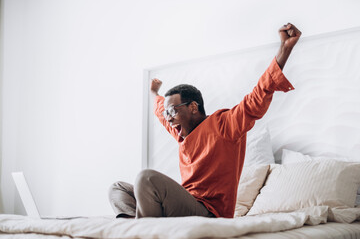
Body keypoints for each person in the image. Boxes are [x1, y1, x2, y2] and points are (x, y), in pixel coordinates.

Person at [108, 23, 302, 219]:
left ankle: (145, 229)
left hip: (208, 212)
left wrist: (285, 49)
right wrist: (153, 92)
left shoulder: (224, 125)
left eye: (172, 111)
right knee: (118, 189)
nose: (168, 117)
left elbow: (256, 98)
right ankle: (140, 227)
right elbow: (160, 110)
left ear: (193, 107)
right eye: (167, 113)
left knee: (146, 178)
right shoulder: (179, 131)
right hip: (183, 204)